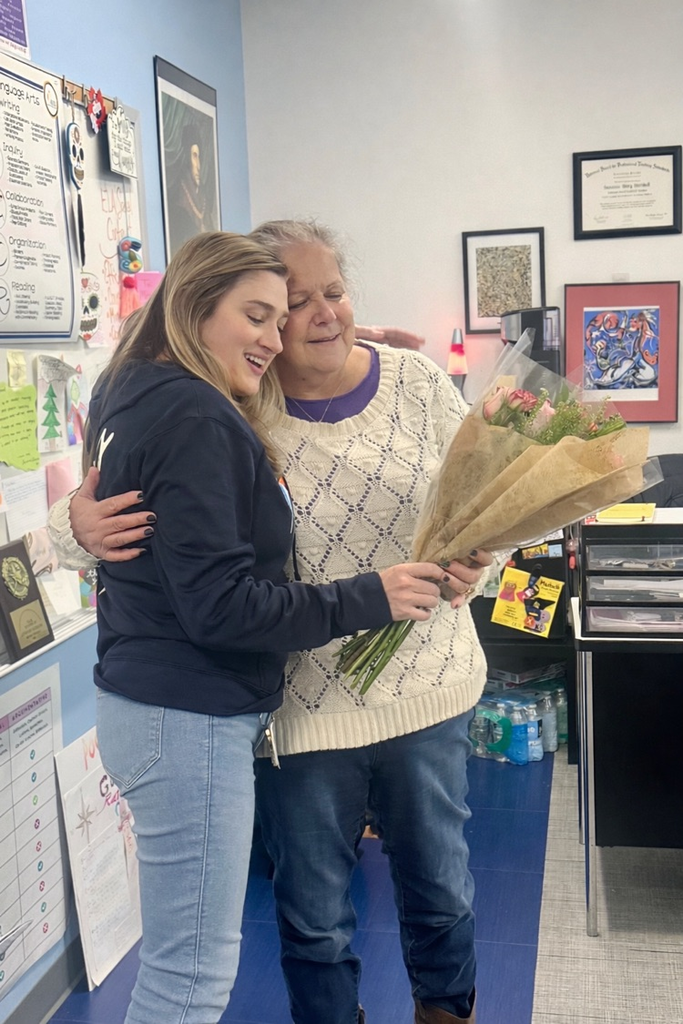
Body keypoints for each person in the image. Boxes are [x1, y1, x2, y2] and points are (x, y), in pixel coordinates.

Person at [49, 221, 493, 1024]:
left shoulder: (415, 380)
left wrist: (475, 558)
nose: (319, 315)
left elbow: (480, 502)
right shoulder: (231, 399)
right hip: (298, 710)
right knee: (313, 922)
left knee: (439, 891)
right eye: (287, 305)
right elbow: (123, 511)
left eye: (333, 292)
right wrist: (75, 528)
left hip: (425, 684)